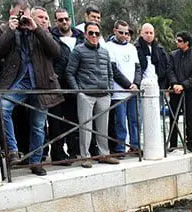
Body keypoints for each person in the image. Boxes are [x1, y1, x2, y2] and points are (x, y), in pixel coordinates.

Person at [0, 0, 63, 176]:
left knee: (38, 125)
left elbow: (56, 52)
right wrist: (11, 29)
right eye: (19, 14)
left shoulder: (41, 31)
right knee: (2, 107)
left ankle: (36, 161)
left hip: (41, 83)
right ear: (11, 13)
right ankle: (12, 151)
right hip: (17, 82)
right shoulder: (3, 29)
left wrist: (36, 29)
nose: (23, 18)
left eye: (26, 14)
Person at [66, 21, 119, 168]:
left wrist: (108, 90)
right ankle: (85, 156)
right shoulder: (78, 51)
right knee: (86, 127)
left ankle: (104, 154)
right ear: (85, 34)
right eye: (91, 33)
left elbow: (110, 72)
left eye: (97, 33)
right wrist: (79, 92)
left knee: (103, 127)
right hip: (86, 95)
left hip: (103, 95)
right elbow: (70, 72)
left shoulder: (105, 51)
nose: (94, 36)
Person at [49, 7, 82, 163]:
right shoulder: (51, 37)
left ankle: (74, 150)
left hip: (75, 83)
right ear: (56, 21)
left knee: (73, 118)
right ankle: (58, 152)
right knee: (56, 120)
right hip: (57, 83)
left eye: (66, 19)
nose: (64, 22)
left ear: (70, 19)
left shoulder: (80, 37)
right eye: (60, 19)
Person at [105, 20, 140, 153]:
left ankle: (135, 146)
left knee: (134, 121)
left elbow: (138, 68)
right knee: (120, 122)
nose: (124, 35)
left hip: (133, 92)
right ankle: (120, 148)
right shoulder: (108, 46)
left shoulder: (132, 47)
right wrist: (128, 85)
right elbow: (113, 70)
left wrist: (136, 84)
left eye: (126, 33)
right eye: (121, 32)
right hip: (119, 92)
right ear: (115, 31)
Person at [167, 31, 192, 153]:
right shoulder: (172, 55)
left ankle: (190, 143)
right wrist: (174, 84)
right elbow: (169, 71)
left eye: (180, 40)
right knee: (173, 118)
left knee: (189, 119)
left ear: (186, 43)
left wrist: (182, 85)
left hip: (188, 92)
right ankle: (173, 143)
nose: (177, 42)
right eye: (177, 40)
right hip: (175, 92)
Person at [136, 22, 169, 92]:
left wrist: (165, 85)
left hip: (158, 86)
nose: (149, 35)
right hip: (141, 86)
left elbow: (166, 68)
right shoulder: (135, 48)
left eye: (151, 33)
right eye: (146, 32)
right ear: (141, 33)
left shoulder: (160, 50)